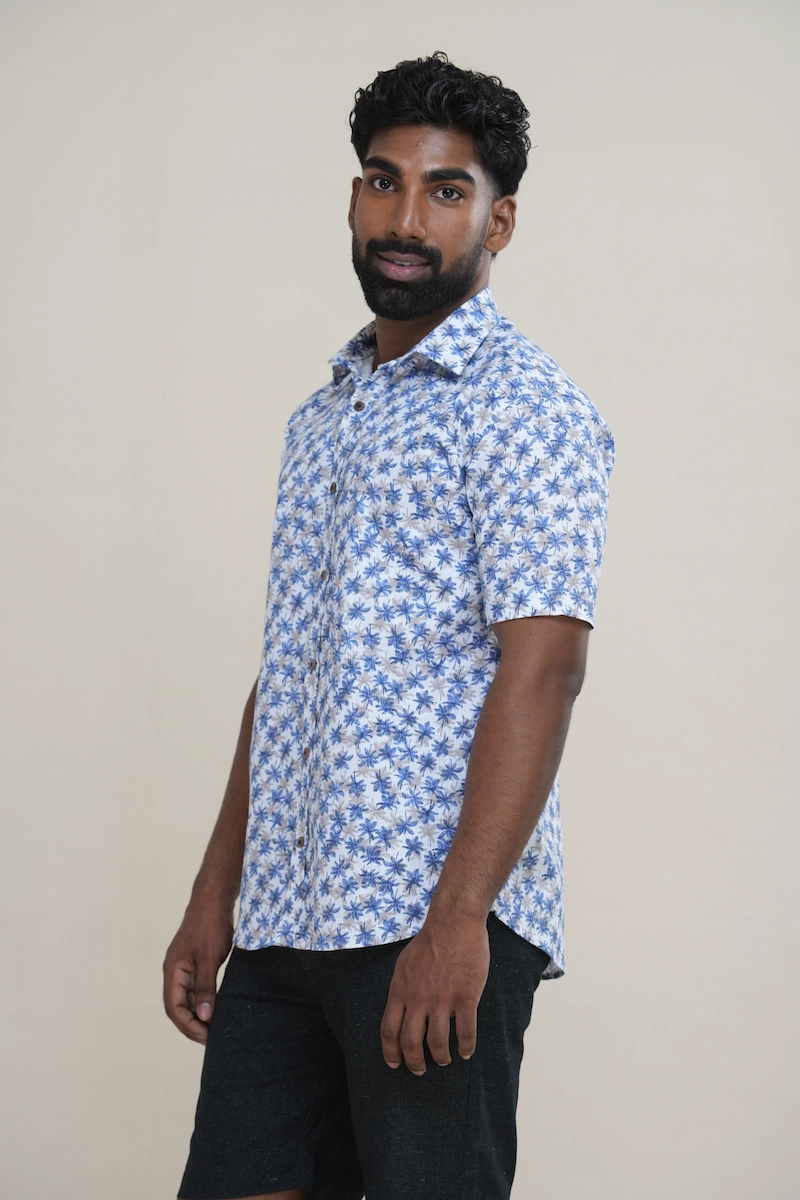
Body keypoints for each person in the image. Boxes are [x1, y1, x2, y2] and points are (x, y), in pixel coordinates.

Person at [164, 51, 614, 1200]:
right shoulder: (320, 420)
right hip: (283, 920)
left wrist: (458, 920)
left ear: (497, 220)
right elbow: (289, 674)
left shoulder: (529, 411)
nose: (405, 217)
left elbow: (544, 670)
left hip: (429, 917)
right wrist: (218, 891)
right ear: (354, 196)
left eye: (445, 190)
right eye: (381, 181)